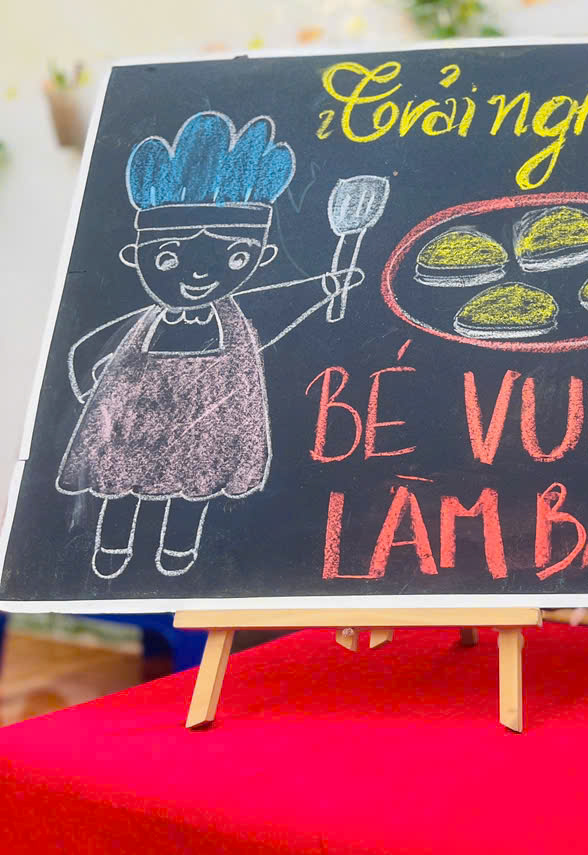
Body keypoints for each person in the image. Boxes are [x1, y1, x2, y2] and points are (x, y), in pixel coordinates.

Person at [56, 111, 377, 578]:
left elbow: (282, 306)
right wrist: (97, 382)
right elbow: (86, 353)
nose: (200, 273)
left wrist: (328, 285)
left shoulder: (239, 322)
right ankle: (112, 546)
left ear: (262, 256)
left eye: (236, 256)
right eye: (169, 259)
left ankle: (178, 551)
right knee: (119, 483)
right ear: (134, 257)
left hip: (209, 427)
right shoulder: (137, 326)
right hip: (137, 423)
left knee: (197, 486)